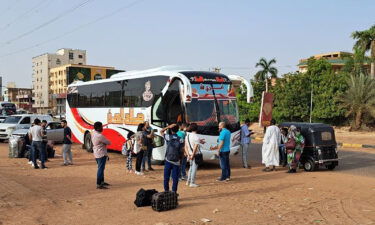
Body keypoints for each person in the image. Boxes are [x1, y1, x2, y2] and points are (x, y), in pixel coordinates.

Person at [161, 124, 183, 192]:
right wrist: (180, 159)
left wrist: (168, 127)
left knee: (166, 177)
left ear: (171, 130)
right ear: (178, 130)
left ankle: (166, 191)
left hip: (168, 160)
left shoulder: (168, 137)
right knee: (175, 178)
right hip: (176, 161)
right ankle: (174, 192)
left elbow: (161, 131)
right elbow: (182, 150)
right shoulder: (181, 139)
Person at [91, 121, 111, 189]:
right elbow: (108, 142)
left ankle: (102, 182)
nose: (102, 128)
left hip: (97, 153)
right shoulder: (99, 135)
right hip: (101, 153)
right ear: (98, 127)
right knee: (100, 169)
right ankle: (99, 184)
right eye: (101, 126)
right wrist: (104, 143)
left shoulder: (93, 133)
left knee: (101, 168)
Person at [185, 123, 202, 187]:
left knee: (191, 168)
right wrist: (192, 155)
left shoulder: (187, 136)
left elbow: (186, 146)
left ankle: (188, 181)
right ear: (196, 128)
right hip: (195, 155)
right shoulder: (196, 137)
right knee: (194, 168)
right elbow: (195, 147)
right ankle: (192, 182)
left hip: (189, 154)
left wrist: (188, 155)